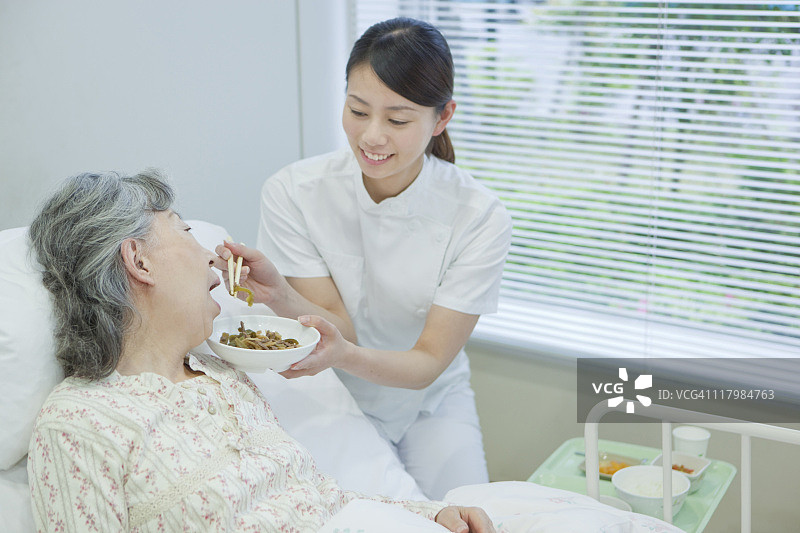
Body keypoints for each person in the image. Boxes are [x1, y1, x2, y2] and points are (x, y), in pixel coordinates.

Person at [26, 170, 494, 533]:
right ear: (139, 261)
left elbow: (315, 501)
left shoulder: (224, 376)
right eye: (185, 230)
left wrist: (429, 514)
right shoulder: (80, 424)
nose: (210, 256)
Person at [219, 17, 512, 499]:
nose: (372, 136)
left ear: (442, 117)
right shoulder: (295, 192)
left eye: (398, 120)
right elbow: (339, 329)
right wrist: (279, 293)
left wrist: (344, 353)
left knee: (468, 511)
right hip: (333, 391)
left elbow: (427, 361)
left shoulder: (478, 216)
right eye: (358, 110)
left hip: (430, 399)